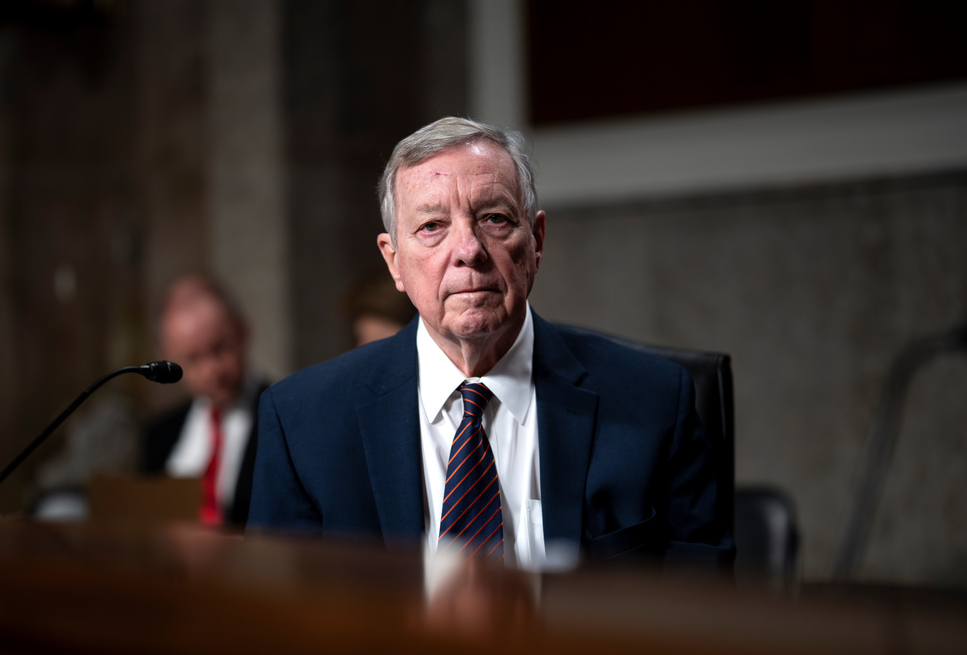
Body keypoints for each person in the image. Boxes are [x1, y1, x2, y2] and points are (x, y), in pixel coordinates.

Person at [249, 117, 733, 571]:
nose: (468, 251)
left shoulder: (653, 401)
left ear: (537, 240)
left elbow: (702, 609)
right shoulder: (302, 423)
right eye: (432, 226)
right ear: (394, 260)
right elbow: (276, 623)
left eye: (494, 218)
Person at [140, 274, 265, 528]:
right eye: (193, 358)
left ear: (242, 331)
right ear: (168, 358)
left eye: (220, 348)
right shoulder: (159, 436)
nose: (212, 371)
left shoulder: (283, 417)